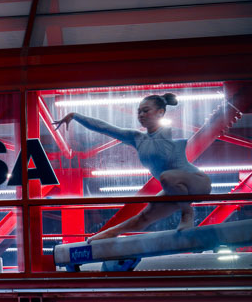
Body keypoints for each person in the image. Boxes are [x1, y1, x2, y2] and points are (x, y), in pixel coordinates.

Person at [56, 93, 211, 240]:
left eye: (146, 111)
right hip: (175, 189)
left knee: (166, 177)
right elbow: (106, 128)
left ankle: (187, 213)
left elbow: (170, 142)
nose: (141, 115)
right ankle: (109, 233)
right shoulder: (137, 139)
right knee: (144, 217)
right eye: (139, 112)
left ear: (160, 112)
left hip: (197, 182)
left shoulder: (167, 133)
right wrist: (75, 116)